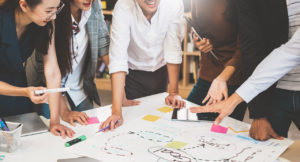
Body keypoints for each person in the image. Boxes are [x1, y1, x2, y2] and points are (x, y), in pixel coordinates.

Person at [191, 1, 300, 141]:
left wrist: (234, 99)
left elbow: (290, 52)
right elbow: (252, 45)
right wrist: (258, 112)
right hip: (272, 88)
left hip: (245, 78)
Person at [0, 0, 85, 138]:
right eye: (48, 10)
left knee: (24, 141)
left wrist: (55, 120)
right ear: (24, 5)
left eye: (56, 9)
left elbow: (51, 70)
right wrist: (23, 92)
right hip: (13, 89)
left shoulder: (45, 22)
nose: (54, 16)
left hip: (19, 91)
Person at [100, 0, 186, 131]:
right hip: (132, 76)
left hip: (161, 72)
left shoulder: (174, 4)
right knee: (133, 125)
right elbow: (118, 57)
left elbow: (173, 48)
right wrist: (116, 112)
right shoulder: (123, 6)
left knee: (159, 121)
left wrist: (173, 92)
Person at [25, 0, 110, 120]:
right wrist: (64, 112)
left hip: (78, 86)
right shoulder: (52, 12)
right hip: (47, 88)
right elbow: (47, 71)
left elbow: (103, 44)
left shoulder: (93, 5)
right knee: (50, 131)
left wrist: (121, 91)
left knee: (90, 127)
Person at [187, 0, 246, 121]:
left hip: (233, 76)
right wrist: (198, 41)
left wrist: (222, 78)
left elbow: (246, 46)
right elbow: (196, 27)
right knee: (185, 121)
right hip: (207, 72)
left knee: (223, 132)